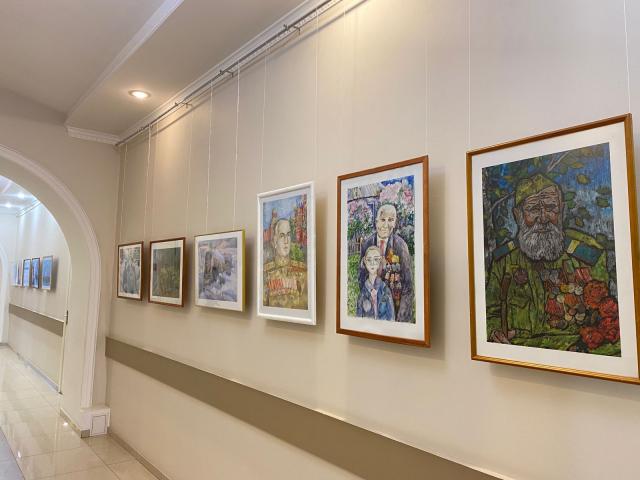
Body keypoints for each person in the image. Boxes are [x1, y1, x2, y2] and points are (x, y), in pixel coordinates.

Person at [486, 174, 609, 344]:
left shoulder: (588, 255)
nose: (543, 218)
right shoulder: (504, 261)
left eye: (551, 207)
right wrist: (494, 332)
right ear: (517, 215)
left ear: (562, 210)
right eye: (533, 209)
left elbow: (607, 318)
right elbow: (489, 312)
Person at [359, 203, 414, 322]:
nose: (386, 225)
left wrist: (401, 320)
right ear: (376, 222)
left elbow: (408, 287)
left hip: (395, 308)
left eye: (390, 220)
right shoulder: (367, 244)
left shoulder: (401, 246)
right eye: (383, 220)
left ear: (395, 223)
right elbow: (362, 278)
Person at [263, 218, 308, 309]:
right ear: (275, 242)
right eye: (282, 236)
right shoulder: (265, 273)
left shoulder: (302, 272)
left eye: (288, 235)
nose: (286, 241)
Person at [356, 246, 395, 320]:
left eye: (376, 259)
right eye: (369, 259)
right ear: (365, 261)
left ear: (380, 261)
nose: (372, 263)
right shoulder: (362, 294)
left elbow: (391, 318)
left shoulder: (385, 291)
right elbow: (358, 318)